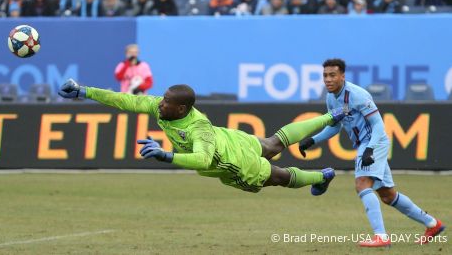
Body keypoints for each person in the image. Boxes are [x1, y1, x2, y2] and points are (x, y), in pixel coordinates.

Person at [58, 79, 349, 194]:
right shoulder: (161, 108)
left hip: (230, 159)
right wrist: (84, 92)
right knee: (274, 142)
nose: (159, 104)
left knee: (280, 177)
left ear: (181, 108)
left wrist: (166, 155)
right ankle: (329, 116)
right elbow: (125, 100)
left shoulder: (199, 128)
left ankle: (322, 176)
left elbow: (203, 158)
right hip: (230, 138)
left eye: (166, 103)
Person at [298, 59, 445, 247]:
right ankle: (433, 224)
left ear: (342, 76)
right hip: (365, 145)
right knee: (388, 195)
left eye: (333, 75)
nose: (328, 79)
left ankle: (381, 237)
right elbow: (335, 127)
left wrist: (369, 149)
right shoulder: (330, 98)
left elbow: (378, 125)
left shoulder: (358, 95)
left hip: (374, 142)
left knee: (362, 184)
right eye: (325, 75)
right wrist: (312, 140)